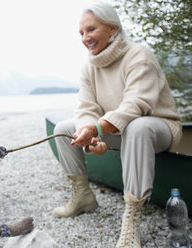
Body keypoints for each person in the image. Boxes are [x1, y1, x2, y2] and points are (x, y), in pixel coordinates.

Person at [52, 2, 182, 247]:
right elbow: (86, 108)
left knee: (138, 126)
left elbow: (136, 105)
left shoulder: (139, 54)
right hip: (119, 130)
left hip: (160, 128)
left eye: (91, 30)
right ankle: (82, 195)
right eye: (81, 33)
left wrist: (98, 129)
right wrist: (91, 137)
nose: (85, 38)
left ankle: (132, 217)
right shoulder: (89, 65)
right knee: (63, 129)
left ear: (112, 29)